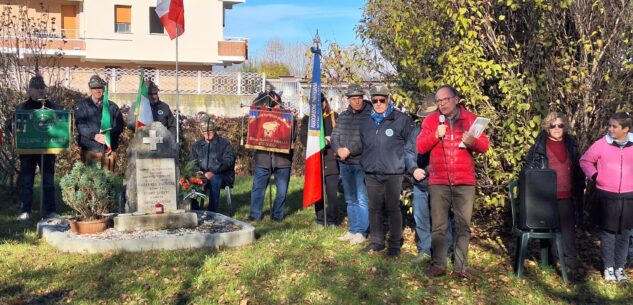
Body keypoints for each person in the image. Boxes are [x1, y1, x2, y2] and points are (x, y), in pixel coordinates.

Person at [417, 85, 489, 279]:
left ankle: (461, 266)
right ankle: (438, 264)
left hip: (464, 181)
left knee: (463, 225)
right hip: (439, 180)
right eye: (439, 101)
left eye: (445, 100)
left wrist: (473, 141)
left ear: (456, 99)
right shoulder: (431, 121)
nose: (442, 104)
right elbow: (420, 147)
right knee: (439, 226)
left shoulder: (470, 119)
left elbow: (485, 146)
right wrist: (435, 135)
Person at [521, 112, 585, 274]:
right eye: (553, 125)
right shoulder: (539, 146)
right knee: (552, 228)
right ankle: (556, 261)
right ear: (547, 127)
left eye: (560, 125)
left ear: (565, 127)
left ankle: (571, 261)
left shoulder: (571, 144)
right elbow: (529, 170)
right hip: (546, 195)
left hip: (567, 194)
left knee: (568, 228)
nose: (557, 128)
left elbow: (578, 169)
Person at [359, 85, 414, 258]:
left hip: (393, 172)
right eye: (375, 100)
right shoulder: (366, 121)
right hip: (371, 172)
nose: (378, 103)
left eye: (382, 100)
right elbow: (363, 143)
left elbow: (410, 145)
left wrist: (404, 165)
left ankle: (395, 245)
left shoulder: (401, 120)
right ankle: (377, 241)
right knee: (374, 208)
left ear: (388, 100)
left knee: (392, 208)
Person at [580, 112, 633, 282]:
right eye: (609, 125)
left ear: (625, 129)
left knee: (625, 233)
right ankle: (608, 268)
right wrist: (596, 176)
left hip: (629, 196)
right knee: (608, 233)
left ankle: (620, 268)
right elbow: (585, 161)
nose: (610, 129)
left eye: (614, 126)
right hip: (606, 195)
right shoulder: (601, 144)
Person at [405, 97, 454, 264]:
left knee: (442, 220)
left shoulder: (447, 131)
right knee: (421, 218)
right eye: (424, 117)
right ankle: (424, 250)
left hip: (439, 183)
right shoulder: (415, 132)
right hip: (420, 184)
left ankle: (445, 253)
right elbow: (408, 153)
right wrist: (413, 169)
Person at [15, 76, 61, 220]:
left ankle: (51, 211)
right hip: (28, 151)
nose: (41, 90)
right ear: (30, 90)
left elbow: (61, 123)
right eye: (37, 88)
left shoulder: (53, 107)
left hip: (47, 151)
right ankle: (25, 210)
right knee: (27, 181)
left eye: (42, 87)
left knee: (48, 181)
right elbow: (12, 124)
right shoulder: (21, 108)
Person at [331, 84, 372, 245]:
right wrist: (338, 149)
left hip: (360, 163)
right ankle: (353, 229)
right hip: (345, 163)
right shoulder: (343, 116)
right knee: (350, 198)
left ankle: (362, 231)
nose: (357, 101)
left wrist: (349, 149)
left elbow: (367, 139)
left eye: (359, 98)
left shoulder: (370, 115)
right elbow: (335, 136)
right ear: (348, 99)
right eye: (354, 99)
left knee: (362, 198)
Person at [248, 91, 296, 221]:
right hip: (263, 160)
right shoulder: (259, 114)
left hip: (282, 161)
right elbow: (253, 127)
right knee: (258, 189)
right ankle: (255, 215)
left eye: (276, 103)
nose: (275, 106)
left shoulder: (287, 116)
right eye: (272, 103)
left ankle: (277, 215)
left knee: (281, 191)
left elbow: (293, 136)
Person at [300, 95, 340, 227]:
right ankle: (320, 219)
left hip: (332, 160)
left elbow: (340, 136)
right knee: (319, 192)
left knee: (333, 194)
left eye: (321, 102)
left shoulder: (335, 116)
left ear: (325, 102)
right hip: (316, 159)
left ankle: (332, 220)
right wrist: (321, 141)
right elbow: (304, 139)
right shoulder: (307, 119)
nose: (319, 105)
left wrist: (330, 141)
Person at [75, 75, 124, 171]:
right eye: (94, 88)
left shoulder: (112, 106)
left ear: (104, 89)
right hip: (90, 149)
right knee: (89, 181)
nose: (97, 90)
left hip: (108, 150)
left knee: (108, 181)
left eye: (100, 88)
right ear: (90, 89)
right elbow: (80, 125)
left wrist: (108, 136)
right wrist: (94, 136)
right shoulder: (82, 105)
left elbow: (119, 125)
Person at [190, 113, 236, 212]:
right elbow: (192, 163)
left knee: (215, 180)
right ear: (201, 132)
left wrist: (213, 172)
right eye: (205, 131)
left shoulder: (224, 144)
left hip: (222, 175)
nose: (208, 133)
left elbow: (229, 161)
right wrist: (197, 173)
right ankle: (195, 209)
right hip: (202, 175)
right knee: (185, 181)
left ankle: (212, 212)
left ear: (215, 130)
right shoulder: (196, 146)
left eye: (210, 131)